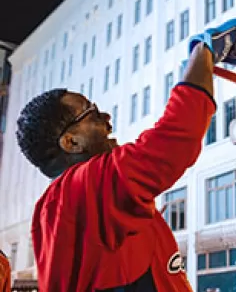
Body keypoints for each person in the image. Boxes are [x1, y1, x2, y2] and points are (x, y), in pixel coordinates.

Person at [15, 43, 216, 291]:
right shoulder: (83, 187)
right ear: (72, 142)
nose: (107, 119)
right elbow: (176, 136)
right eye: (94, 113)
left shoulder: (70, 206)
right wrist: (205, 50)